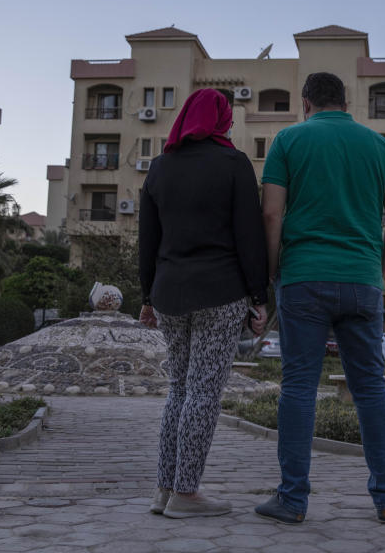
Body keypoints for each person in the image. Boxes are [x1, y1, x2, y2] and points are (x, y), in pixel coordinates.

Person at [255, 72, 385, 524]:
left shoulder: (288, 141)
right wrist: (377, 271)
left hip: (303, 278)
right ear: (347, 103)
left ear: (306, 103)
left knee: (299, 387)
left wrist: (272, 271)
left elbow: (271, 212)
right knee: (370, 389)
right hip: (363, 280)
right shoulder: (380, 146)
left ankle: (292, 500)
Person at [138, 88, 269, 519]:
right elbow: (249, 236)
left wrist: (146, 296)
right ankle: (187, 493)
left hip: (169, 293)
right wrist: (259, 296)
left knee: (178, 389)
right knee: (204, 393)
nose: (229, 124)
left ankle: (164, 488)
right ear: (219, 120)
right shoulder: (233, 164)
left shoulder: (158, 168)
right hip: (221, 292)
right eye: (227, 118)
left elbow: (148, 242)